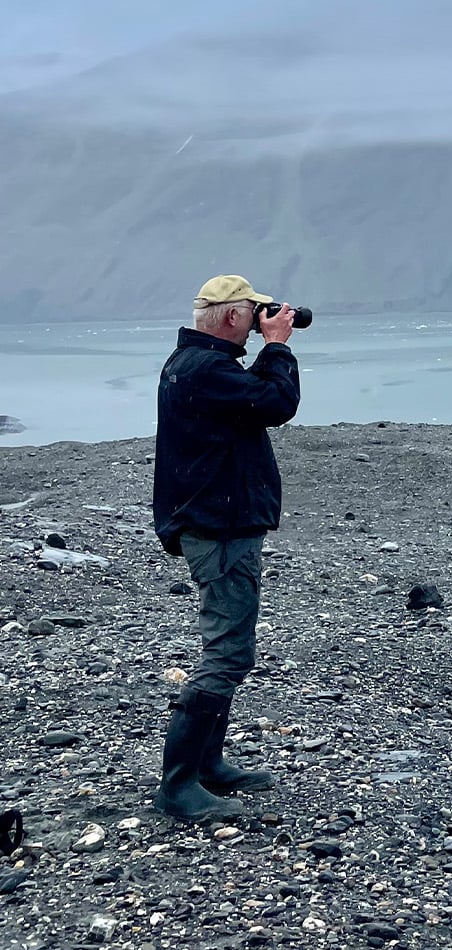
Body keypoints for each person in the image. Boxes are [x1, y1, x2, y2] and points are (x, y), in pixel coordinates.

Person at [151, 274, 300, 821]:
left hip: (217, 522)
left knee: (231, 648)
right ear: (236, 318)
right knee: (228, 653)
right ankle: (179, 784)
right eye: (256, 312)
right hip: (218, 529)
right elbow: (276, 402)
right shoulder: (208, 370)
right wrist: (279, 346)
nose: (264, 319)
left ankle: (208, 763)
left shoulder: (194, 365)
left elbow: (252, 404)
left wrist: (268, 350)